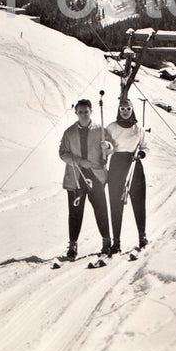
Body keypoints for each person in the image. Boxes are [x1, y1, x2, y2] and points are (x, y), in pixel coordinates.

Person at [59, 98, 112, 260]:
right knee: (75, 212)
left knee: (101, 208)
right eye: (80, 112)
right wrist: (79, 161)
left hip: (95, 175)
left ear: (91, 112)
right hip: (75, 176)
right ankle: (73, 245)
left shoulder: (100, 130)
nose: (83, 115)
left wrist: (107, 147)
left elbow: (111, 147)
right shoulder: (69, 132)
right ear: (76, 113)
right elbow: (62, 153)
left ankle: (106, 242)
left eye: (86, 112)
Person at [105, 98, 148, 254]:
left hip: (134, 164)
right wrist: (106, 147)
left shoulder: (138, 129)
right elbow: (105, 145)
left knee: (138, 201)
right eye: (122, 109)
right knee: (116, 202)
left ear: (132, 109)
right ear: (118, 110)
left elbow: (145, 146)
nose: (125, 112)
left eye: (127, 109)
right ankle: (116, 242)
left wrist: (141, 153)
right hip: (117, 165)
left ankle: (142, 236)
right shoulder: (111, 127)